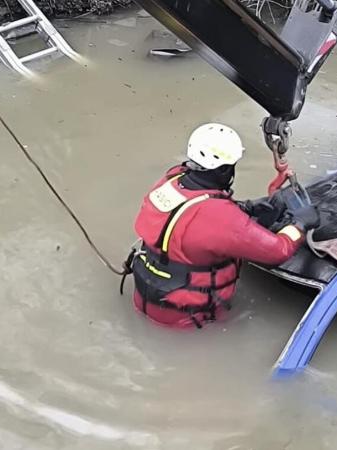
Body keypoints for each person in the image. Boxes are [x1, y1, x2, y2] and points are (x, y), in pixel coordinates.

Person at [129, 123, 320, 328]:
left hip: (148, 299)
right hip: (190, 321)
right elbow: (278, 250)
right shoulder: (222, 220)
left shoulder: (172, 179)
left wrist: (246, 208)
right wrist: (301, 223)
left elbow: (189, 215)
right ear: (224, 170)